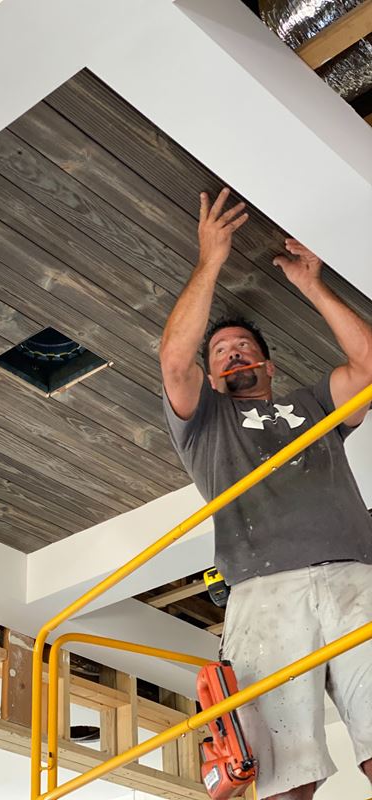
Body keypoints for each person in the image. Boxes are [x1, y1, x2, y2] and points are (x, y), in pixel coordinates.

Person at [159, 187, 372, 799]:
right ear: (211, 371)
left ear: (269, 367)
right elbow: (174, 359)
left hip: (353, 575)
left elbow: (365, 366)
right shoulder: (205, 424)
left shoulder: (309, 404)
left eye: (245, 348)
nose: (233, 353)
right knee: (284, 772)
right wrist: (210, 259)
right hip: (263, 590)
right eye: (220, 350)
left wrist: (312, 285)